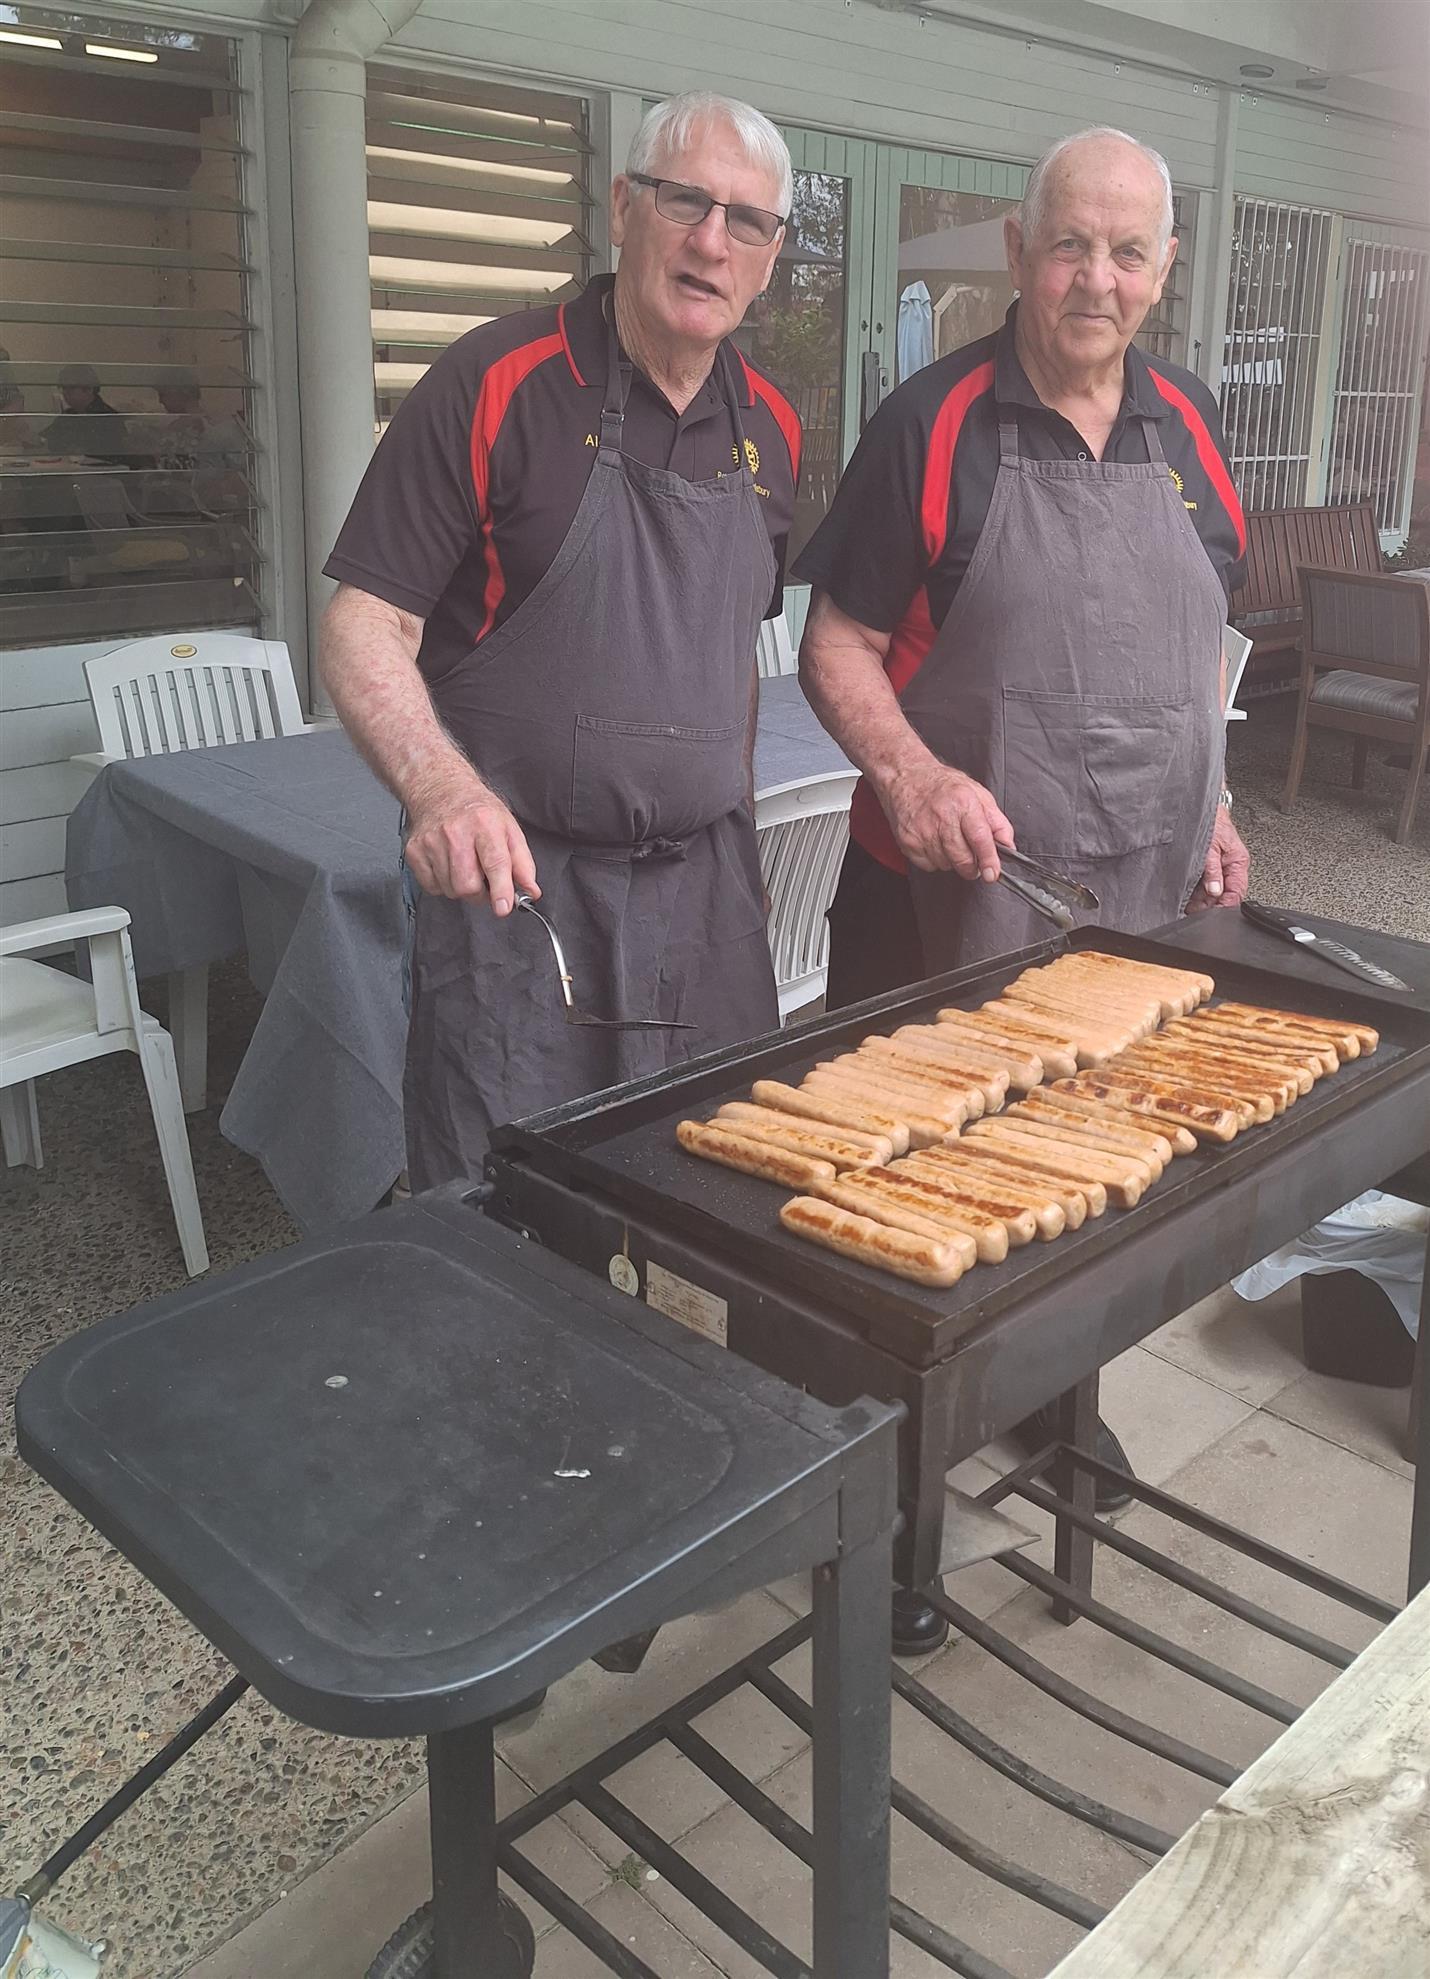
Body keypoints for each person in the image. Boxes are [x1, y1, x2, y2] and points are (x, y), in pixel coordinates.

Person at [794, 127, 1251, 1523]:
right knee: (916, 1199)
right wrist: (911, 775)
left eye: (1125, 251)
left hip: (1123, 910)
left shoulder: (1189, 432)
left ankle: (1060, 1406)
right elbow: (834, 645)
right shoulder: (929, 425)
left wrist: (1214, 803)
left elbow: (1189, 649)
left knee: (1089, 1176)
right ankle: (885, 1480)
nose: (1094, 278)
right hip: (937, 903)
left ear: (1162, 270)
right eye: (1070, 244)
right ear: (1019, 251)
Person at [321, 92, 801, 1190]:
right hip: (517, 898)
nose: (711, 242)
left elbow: (728, 651)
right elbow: (363, 621)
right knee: (505, 1210)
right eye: (686, 202)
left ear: (769, 259)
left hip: (708, 896)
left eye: (747, 221)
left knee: (713, 1190)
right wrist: (440, 790)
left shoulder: (771, 426)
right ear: (624, 208)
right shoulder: (491, 383)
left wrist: (728, 815)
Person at [41, 364, 139, 464]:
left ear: (89, 389)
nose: (65, 392)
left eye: (70, 387)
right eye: (63, 388)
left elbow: (110, 456)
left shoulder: (107, 417)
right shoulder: (69, 415)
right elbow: (46, 439)